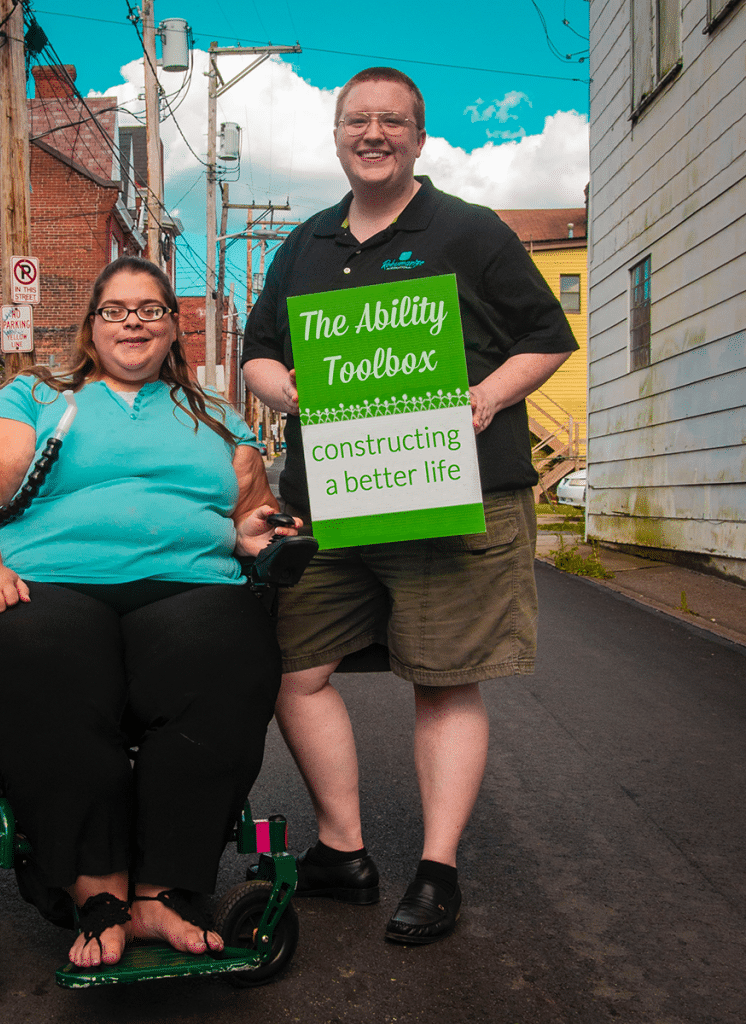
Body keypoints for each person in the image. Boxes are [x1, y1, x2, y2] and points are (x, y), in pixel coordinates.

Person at [241, 68, 577, 945]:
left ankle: (437, 871)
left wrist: (483, 399)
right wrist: (295, 395)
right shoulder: (307, 243)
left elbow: (547, 336)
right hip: (334, 501)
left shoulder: (469, 230)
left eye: (394, 120)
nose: (375, 132)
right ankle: (343, 852)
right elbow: (258, 355)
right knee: (291, 666)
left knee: (443, 677)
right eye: (360, 120)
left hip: (455, 494)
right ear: (339, 135)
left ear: (420, 138)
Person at [0, 255, 300, 970]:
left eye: (150, 309)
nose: (133, 322)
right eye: (116, 310)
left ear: (173, 328)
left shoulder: (216, 416)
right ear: (91, 327)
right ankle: (99, 894)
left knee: (229, 652)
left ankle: (164, 893)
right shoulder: (40, 396)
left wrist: (256, 532)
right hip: (44, 586)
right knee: (44, 651)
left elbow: (250, 511)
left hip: (186, 587)